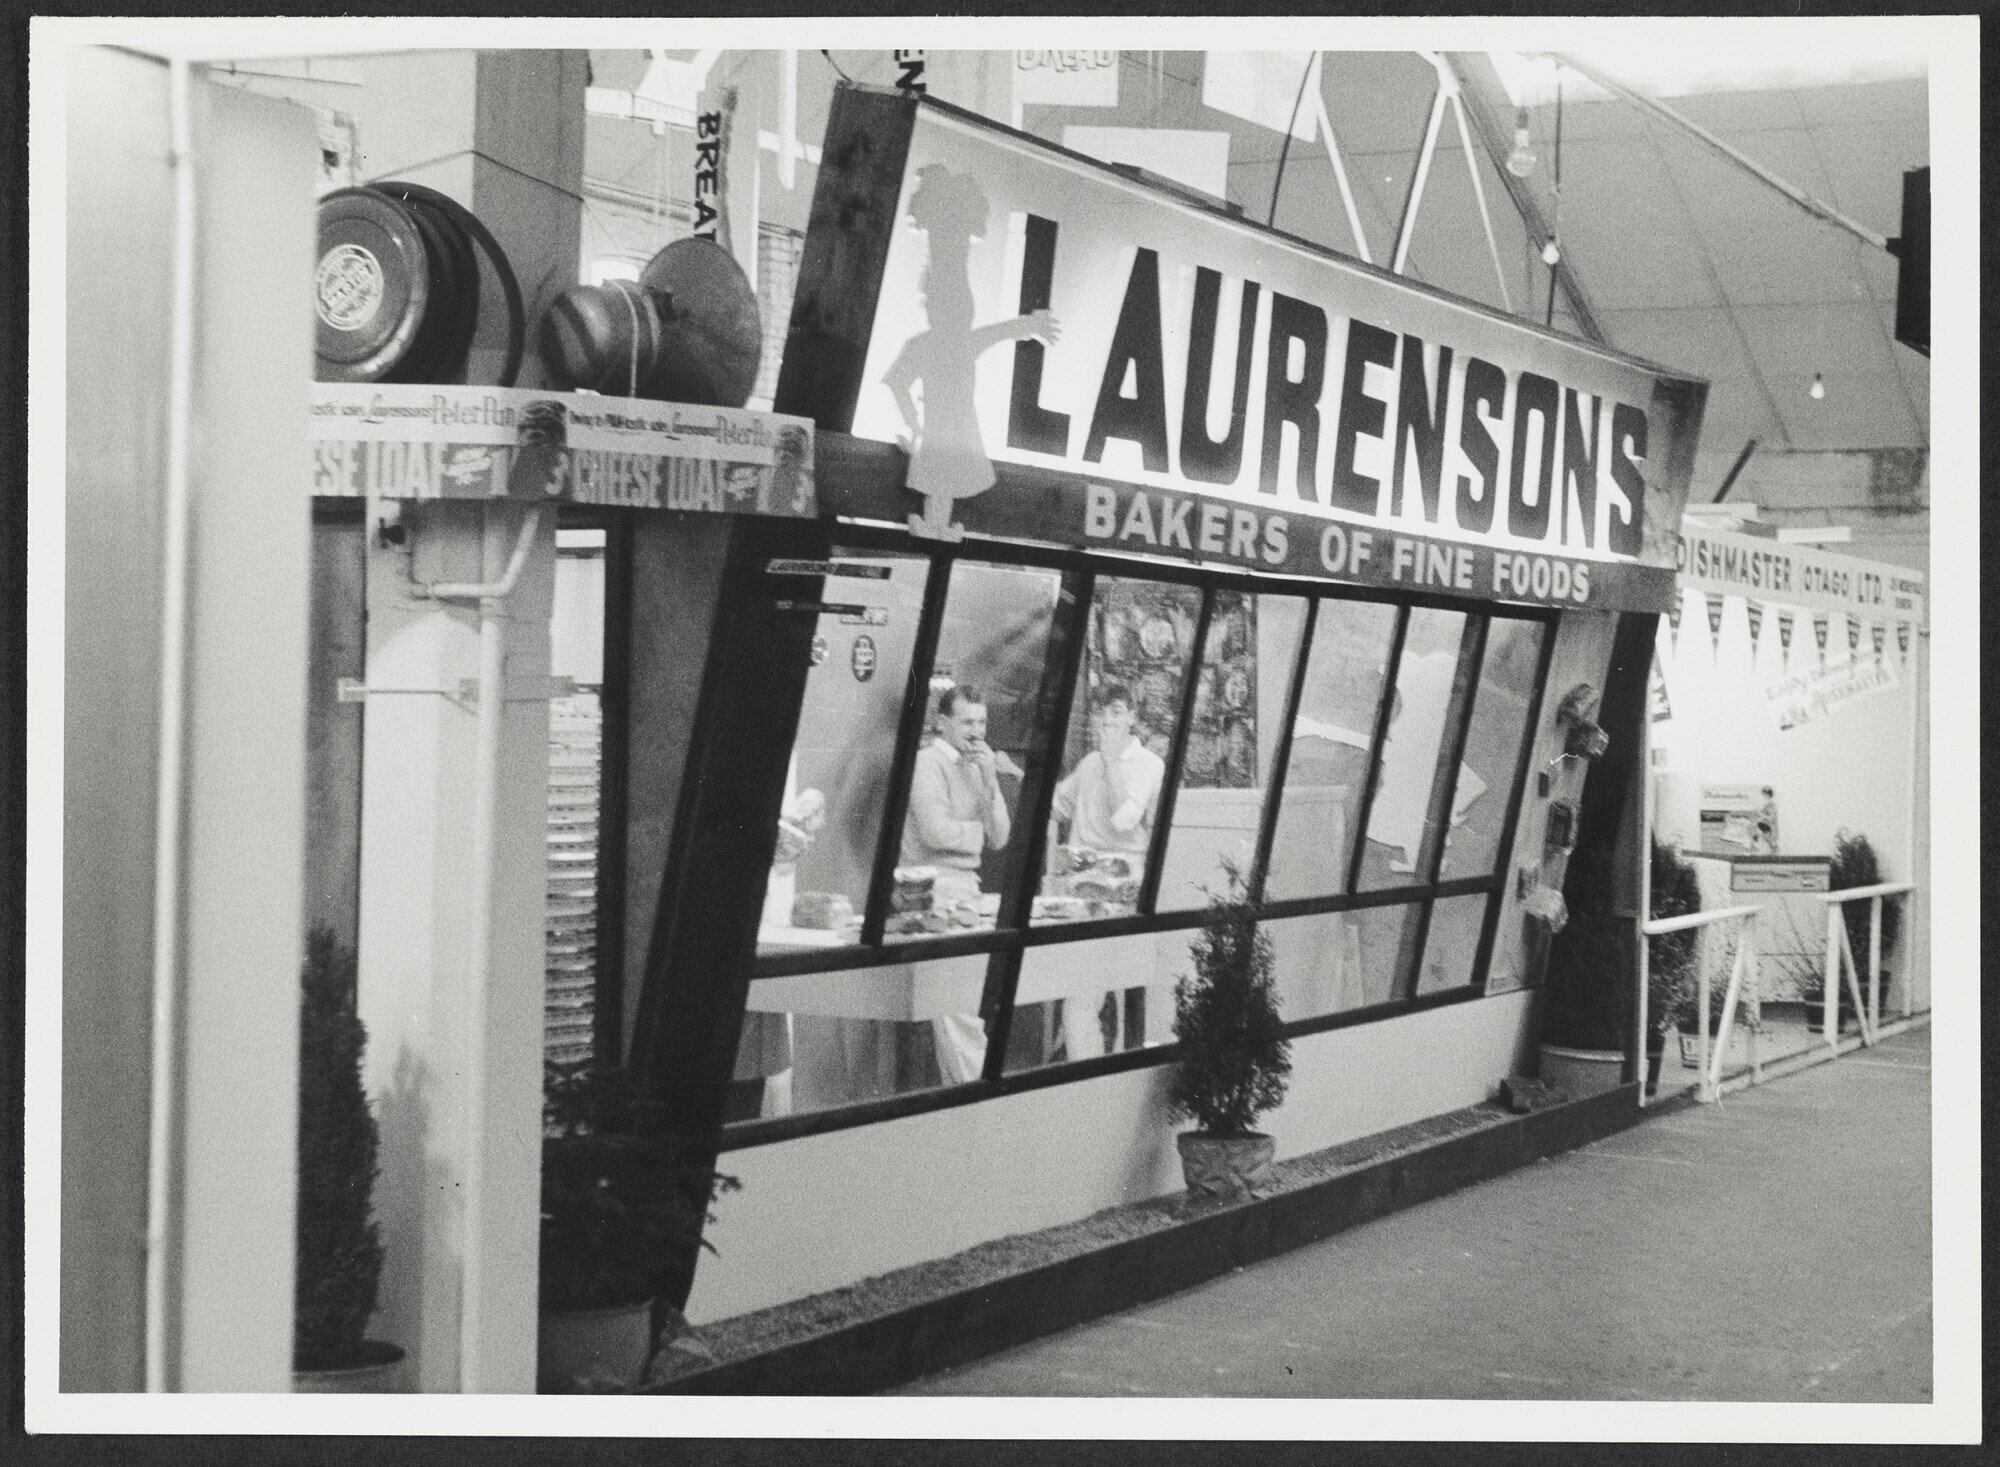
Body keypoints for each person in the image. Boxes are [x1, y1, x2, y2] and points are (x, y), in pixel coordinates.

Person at [1045, 683, 1165, 1058]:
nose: (1107, 721)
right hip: (1079, 893)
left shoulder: (1149, 765)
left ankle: (1105, 1068)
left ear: (1132, 717)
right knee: (1078, 997)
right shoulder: (1089, 763)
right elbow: (1056, 806)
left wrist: (1111, 762)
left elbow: (1123, 820)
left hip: (1123, 893)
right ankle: (1087, 1070)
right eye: (1102, 713)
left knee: (1111, 997)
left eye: (1116, 712)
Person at [901, 685, 1012, 1083]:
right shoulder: (927, 764)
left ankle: (965, 1092)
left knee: (962, 1003)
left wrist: (990, 780)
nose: (977, 732)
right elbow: (935, 832)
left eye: (982, 722)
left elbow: (1002, 836)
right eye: (967, 723)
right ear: (942, 723)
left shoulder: (977, 767)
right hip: (931, 891)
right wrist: (978, 834)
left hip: (967, 891)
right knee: (957, 1007)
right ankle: (978, 1094)